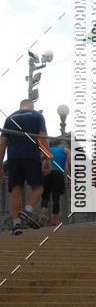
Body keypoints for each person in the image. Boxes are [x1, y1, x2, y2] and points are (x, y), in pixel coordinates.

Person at [0, 99, 50, 234]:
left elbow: (2, 143)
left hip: (13, 158)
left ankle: (16, 225)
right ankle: (27, 210)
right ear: (32, 106)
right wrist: (47, 160)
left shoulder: (10, 118)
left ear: (20, 106)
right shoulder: (37, 116)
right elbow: (42, 138)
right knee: (38, 187)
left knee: (16, 189)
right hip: (31, 155)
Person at [39, 139, 70, 226]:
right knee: (56, 198)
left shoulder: (47, 150)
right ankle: (55, 220)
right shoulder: (65, 150)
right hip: (58, 174)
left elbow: (40, 161)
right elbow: (71, 163)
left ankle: (42, 215)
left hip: (47, 174)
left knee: (45, 196)